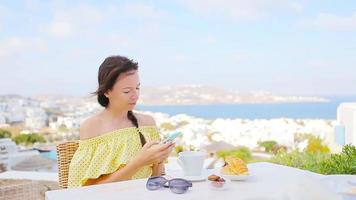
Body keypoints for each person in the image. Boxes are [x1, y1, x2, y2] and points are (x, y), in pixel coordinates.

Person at [67, 55, 174, 188]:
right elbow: (88, 190)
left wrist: (159, 159)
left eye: (137, 88)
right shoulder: (92, 127)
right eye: (127, 91)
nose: (135, 95)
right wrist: (139, 162)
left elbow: (155, 179)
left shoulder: (147, 124)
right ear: (106, 91)